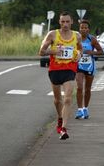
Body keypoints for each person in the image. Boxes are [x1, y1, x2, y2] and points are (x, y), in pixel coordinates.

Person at [38, 11, 82, 140]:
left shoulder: (77, 36)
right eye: (63, 22)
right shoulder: (52, 34)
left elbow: (80, 49)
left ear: (72, 22)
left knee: (68, 98)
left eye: (67, 21)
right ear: (59, 22)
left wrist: (79, 54)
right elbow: (41, 52)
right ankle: (60, 118)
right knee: (58, 100)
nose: (65, 24)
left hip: (70, 69)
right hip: (55, 70)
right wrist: (53, 50)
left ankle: (64, 128)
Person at [75, 20, 103, 119]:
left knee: (87, 89)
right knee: (79, 87)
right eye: (82, 27)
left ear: (88, 29)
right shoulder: (75, 39)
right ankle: (79, 110)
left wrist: (91, 52)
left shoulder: (92, 39)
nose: (84, 29)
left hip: (90, 66)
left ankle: (85, 108)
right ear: (79, 29)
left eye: (86, 27)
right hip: (79, 66)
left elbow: (100, 51)